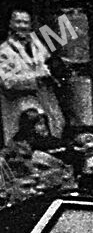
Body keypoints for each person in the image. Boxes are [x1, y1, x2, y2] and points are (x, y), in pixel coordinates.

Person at [0, 9, 65, 144]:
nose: (22, 26)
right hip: (20, 107)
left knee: (54, 133)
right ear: (11, 24)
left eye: (26, 23)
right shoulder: (4, 51)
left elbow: (48, 60)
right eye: (18, 22)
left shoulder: (37, 43)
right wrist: (36, 77)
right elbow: (7, 82)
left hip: (47, 104)